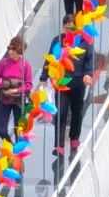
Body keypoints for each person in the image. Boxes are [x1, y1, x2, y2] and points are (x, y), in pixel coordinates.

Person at [40, 11, 96, 157]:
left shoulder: (85, 41)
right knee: (61, 112)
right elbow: (49, 60)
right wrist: (43, 78)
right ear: (63, 28)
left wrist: (88, 74)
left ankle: (74, 137)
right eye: (66, 27)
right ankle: (58, 145)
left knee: (77, 110)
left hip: (78, 82)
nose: (69, 30)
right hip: (62, 82)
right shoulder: (57, 40)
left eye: (72, 28)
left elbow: (90, 59)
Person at [0, 35, 33, 141]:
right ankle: (10, 146)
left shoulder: (25, 65)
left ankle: (17, 153)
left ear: (20, 52)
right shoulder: (3, 63)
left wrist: (15, 90)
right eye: (9, 49)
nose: (11, 52)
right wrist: (6, 85)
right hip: (4, 100)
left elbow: (29, 85)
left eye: (14, 50)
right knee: (2, 130)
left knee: (19, 130)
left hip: (19, 101)